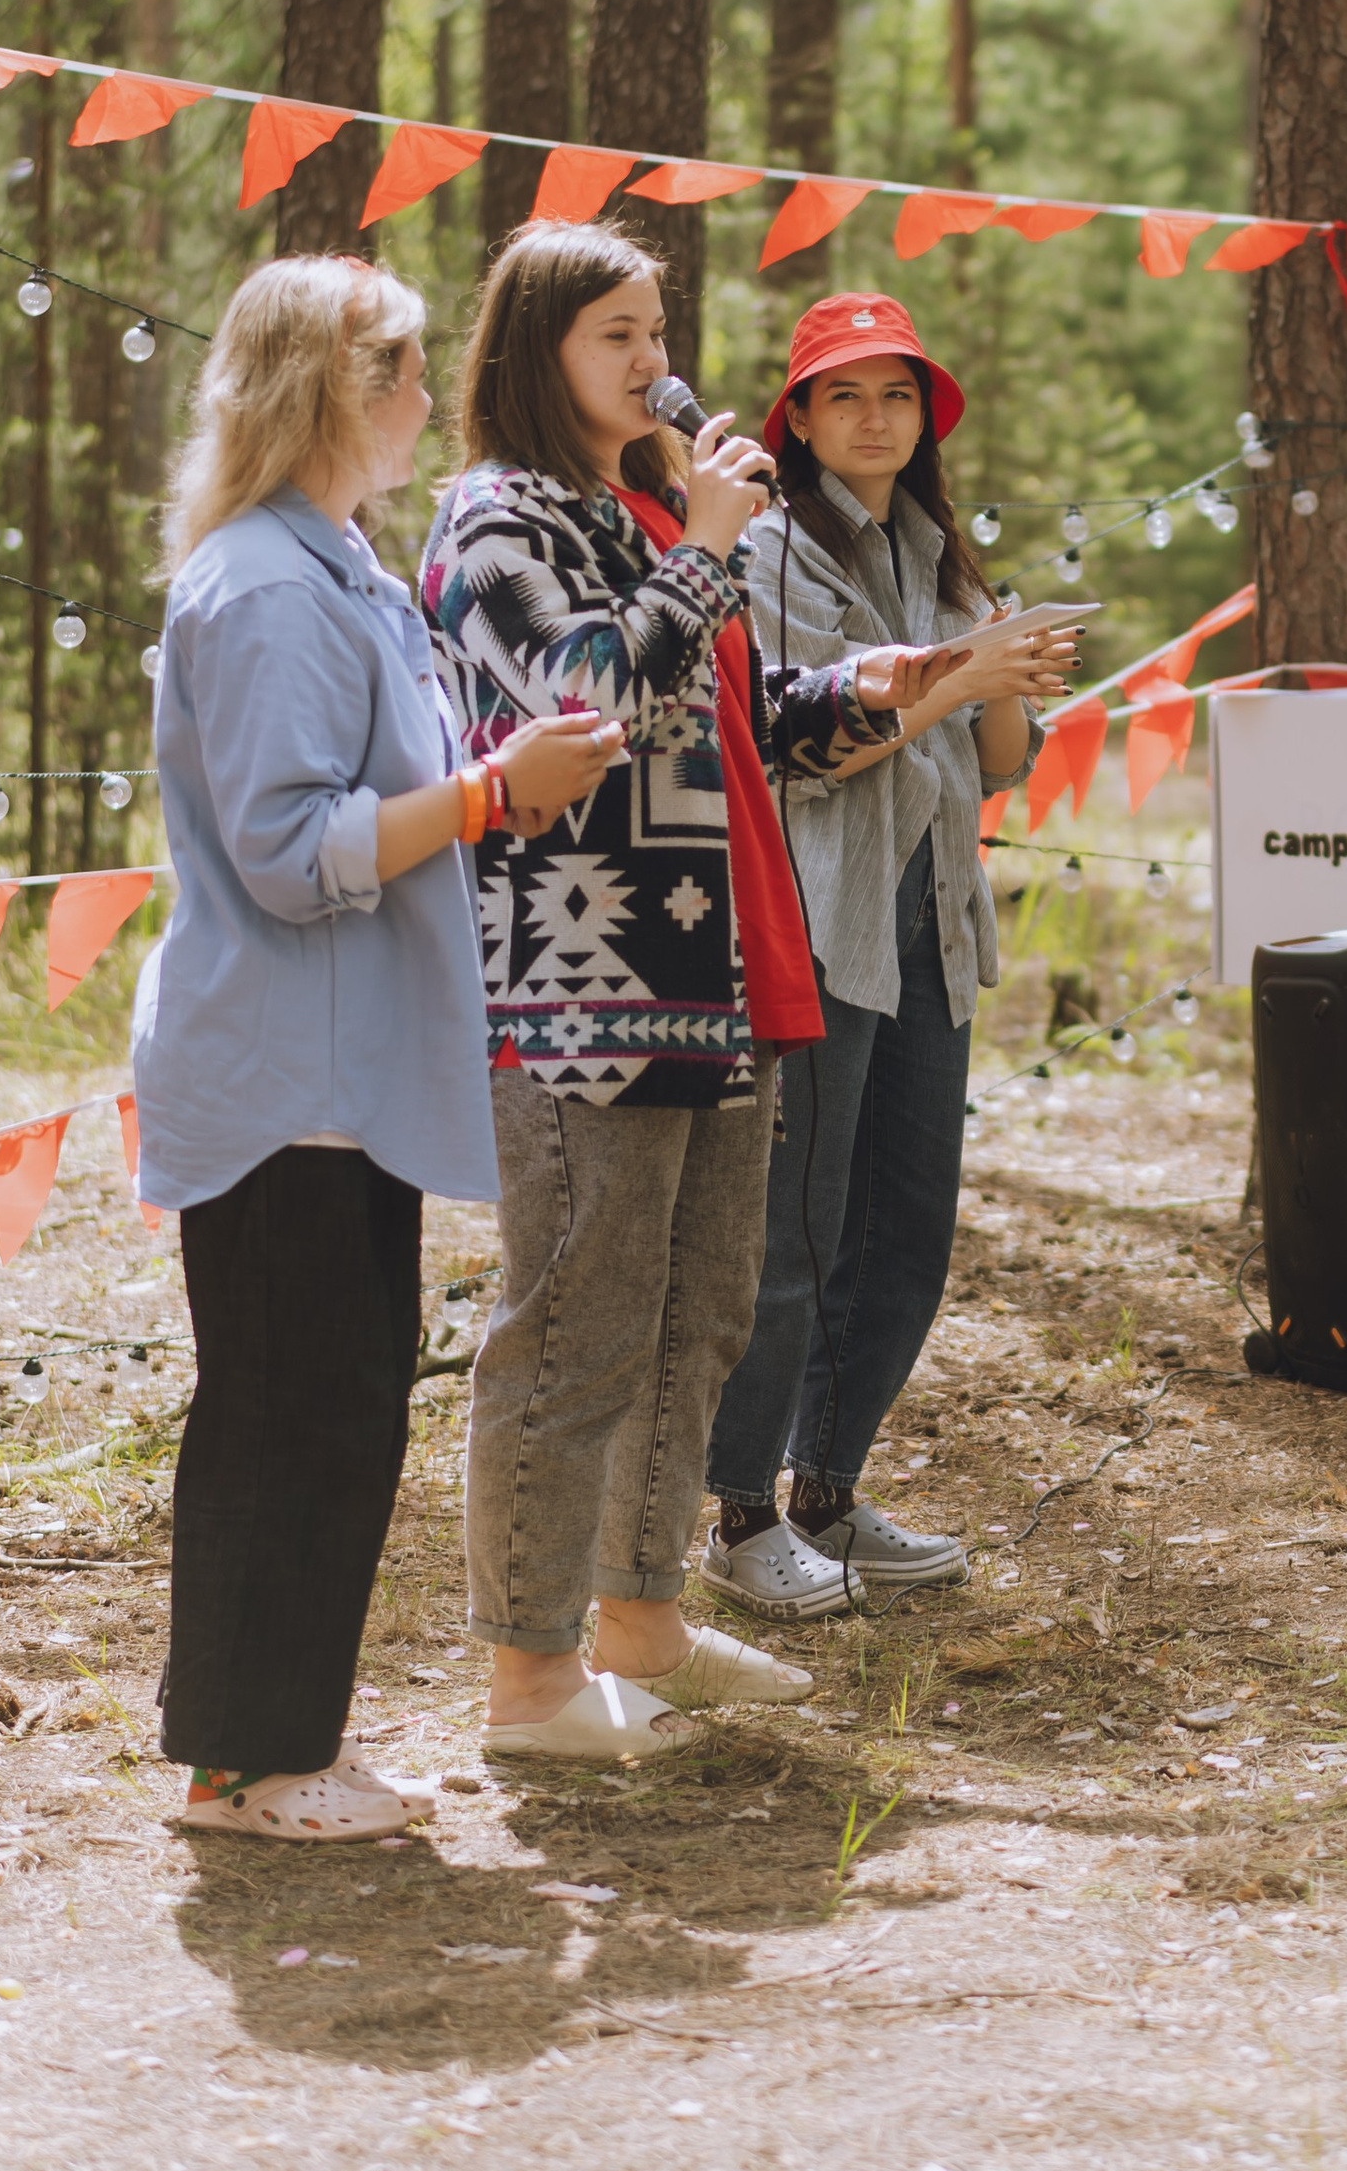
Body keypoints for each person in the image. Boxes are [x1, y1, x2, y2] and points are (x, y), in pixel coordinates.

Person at [421, 226, 961, 1760]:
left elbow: (717, 728)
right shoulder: (493, 522)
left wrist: (856, 687)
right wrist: (710, 546)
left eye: (658, 328)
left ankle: (643, 1627)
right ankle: (529, 1681)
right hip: (588, 980)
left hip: (726, 966)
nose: (655, 361)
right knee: (577, 1323)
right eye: (616, 335)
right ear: (536, 355)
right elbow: (594, 693)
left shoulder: (644, 510)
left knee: (694, 1320)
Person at [136, 255, 623, 1842]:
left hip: (342, 1081)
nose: (431, 399)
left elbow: (377, 794)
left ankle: (283, 1746)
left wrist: (501, 774)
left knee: (334, 1407)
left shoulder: (336, 562)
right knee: (294, 1412)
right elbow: (288, 849)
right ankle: (249, 1767)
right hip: (286, 1080)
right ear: (334, 391)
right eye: (407, 371)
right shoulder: (272, 587)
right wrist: (492, 796)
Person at [700, 294, 1079, 1619]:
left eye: (897, 396)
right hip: (817, 920)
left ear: (927, 421)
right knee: (797, 1227)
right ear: (796, 418)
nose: (874, 418)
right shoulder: (766, 554)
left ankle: (830, 1492)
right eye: (844, 394)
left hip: (932, 918)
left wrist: (1006, 675)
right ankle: (741, 1512)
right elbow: (792, 751)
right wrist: (950, 682)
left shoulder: (937, 549)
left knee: (907, 1222)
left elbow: (995, 766)